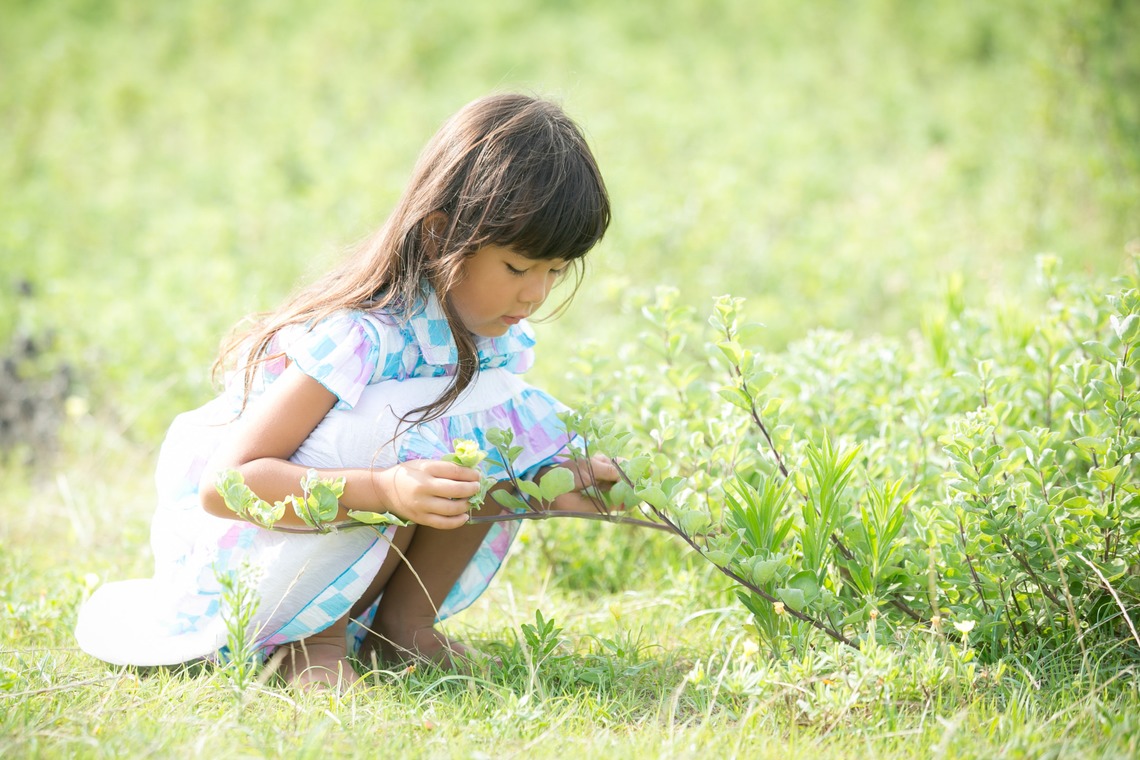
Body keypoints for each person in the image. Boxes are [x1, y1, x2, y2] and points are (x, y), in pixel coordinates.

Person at [74, 93, 619, 689]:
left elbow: (494, 465)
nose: (536, 295)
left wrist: (558, 483)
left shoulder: (492, 344)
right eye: (518, 268)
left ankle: (403, 628)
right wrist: (384, 491)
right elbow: (226, 485)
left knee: (490, 422)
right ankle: (311, 641)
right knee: (386, 426)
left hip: (342, 565)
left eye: (555, 271)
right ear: (440, 236)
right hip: (251, 568)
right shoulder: (361, 338)